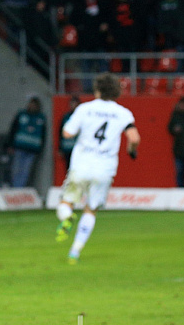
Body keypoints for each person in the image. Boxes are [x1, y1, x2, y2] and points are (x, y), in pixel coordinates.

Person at [55, 73, 140, 264]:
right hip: (105, 168)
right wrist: (131, 150)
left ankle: (67, 217)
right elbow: (134, 138)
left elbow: (67, 133)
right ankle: (75, 251)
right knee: (91, 209)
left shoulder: (85, 109)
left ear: (97, 89)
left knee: (66, 201)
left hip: (82, 165)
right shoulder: (123, 113)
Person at [7, 96, 46, 188]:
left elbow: (43, 134)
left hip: (32, 149)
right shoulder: (21, 115)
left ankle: (20, 188)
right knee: (16, 169)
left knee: (26, 171)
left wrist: (40, 148)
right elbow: (13, 129)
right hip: (19, 147)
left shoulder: (41, 118)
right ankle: (15, 188)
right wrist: (10, 145)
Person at [58, 95, 80, 169]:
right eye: (72, 103)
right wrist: (60, 148)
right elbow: (60, 133)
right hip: (67, 147)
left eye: (75, 104)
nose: (73, 106)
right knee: (68, 169)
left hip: (78, 149)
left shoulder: (82, 117)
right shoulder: (66, 117)